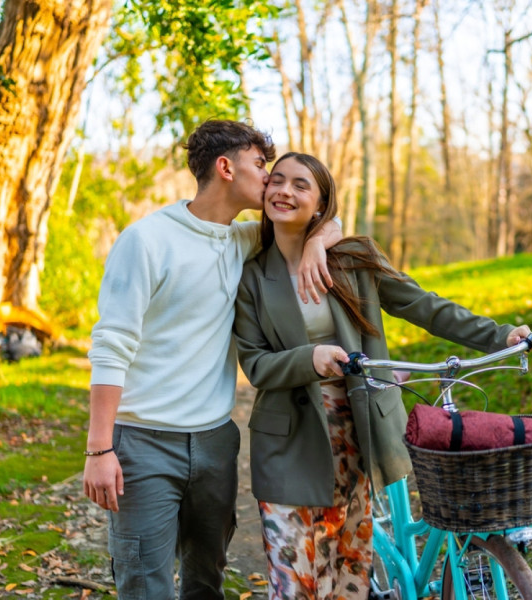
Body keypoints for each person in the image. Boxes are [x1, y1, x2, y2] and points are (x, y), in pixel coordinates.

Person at [233, 152, 532, 600]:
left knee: (348, 571)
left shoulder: (353, 259)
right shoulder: (253, 277)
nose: (284, 191)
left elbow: (425, 306)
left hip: (357, 432)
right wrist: (310, 359)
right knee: (295, 578)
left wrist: (500, 336)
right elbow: (255, 363)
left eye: (300, 185)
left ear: (320, 204)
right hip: (289, 442)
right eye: (277, 181)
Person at [82, 122, 341, 600]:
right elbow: (111, 344)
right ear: (225, 167)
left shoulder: (244, 239)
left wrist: (314, 245)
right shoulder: (146, 240)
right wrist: (99, 450)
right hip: (142, 443)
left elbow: (326, 218)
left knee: (207, 581)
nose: (270, 180)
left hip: (215, 443)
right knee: (144, 582)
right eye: (261, 166)